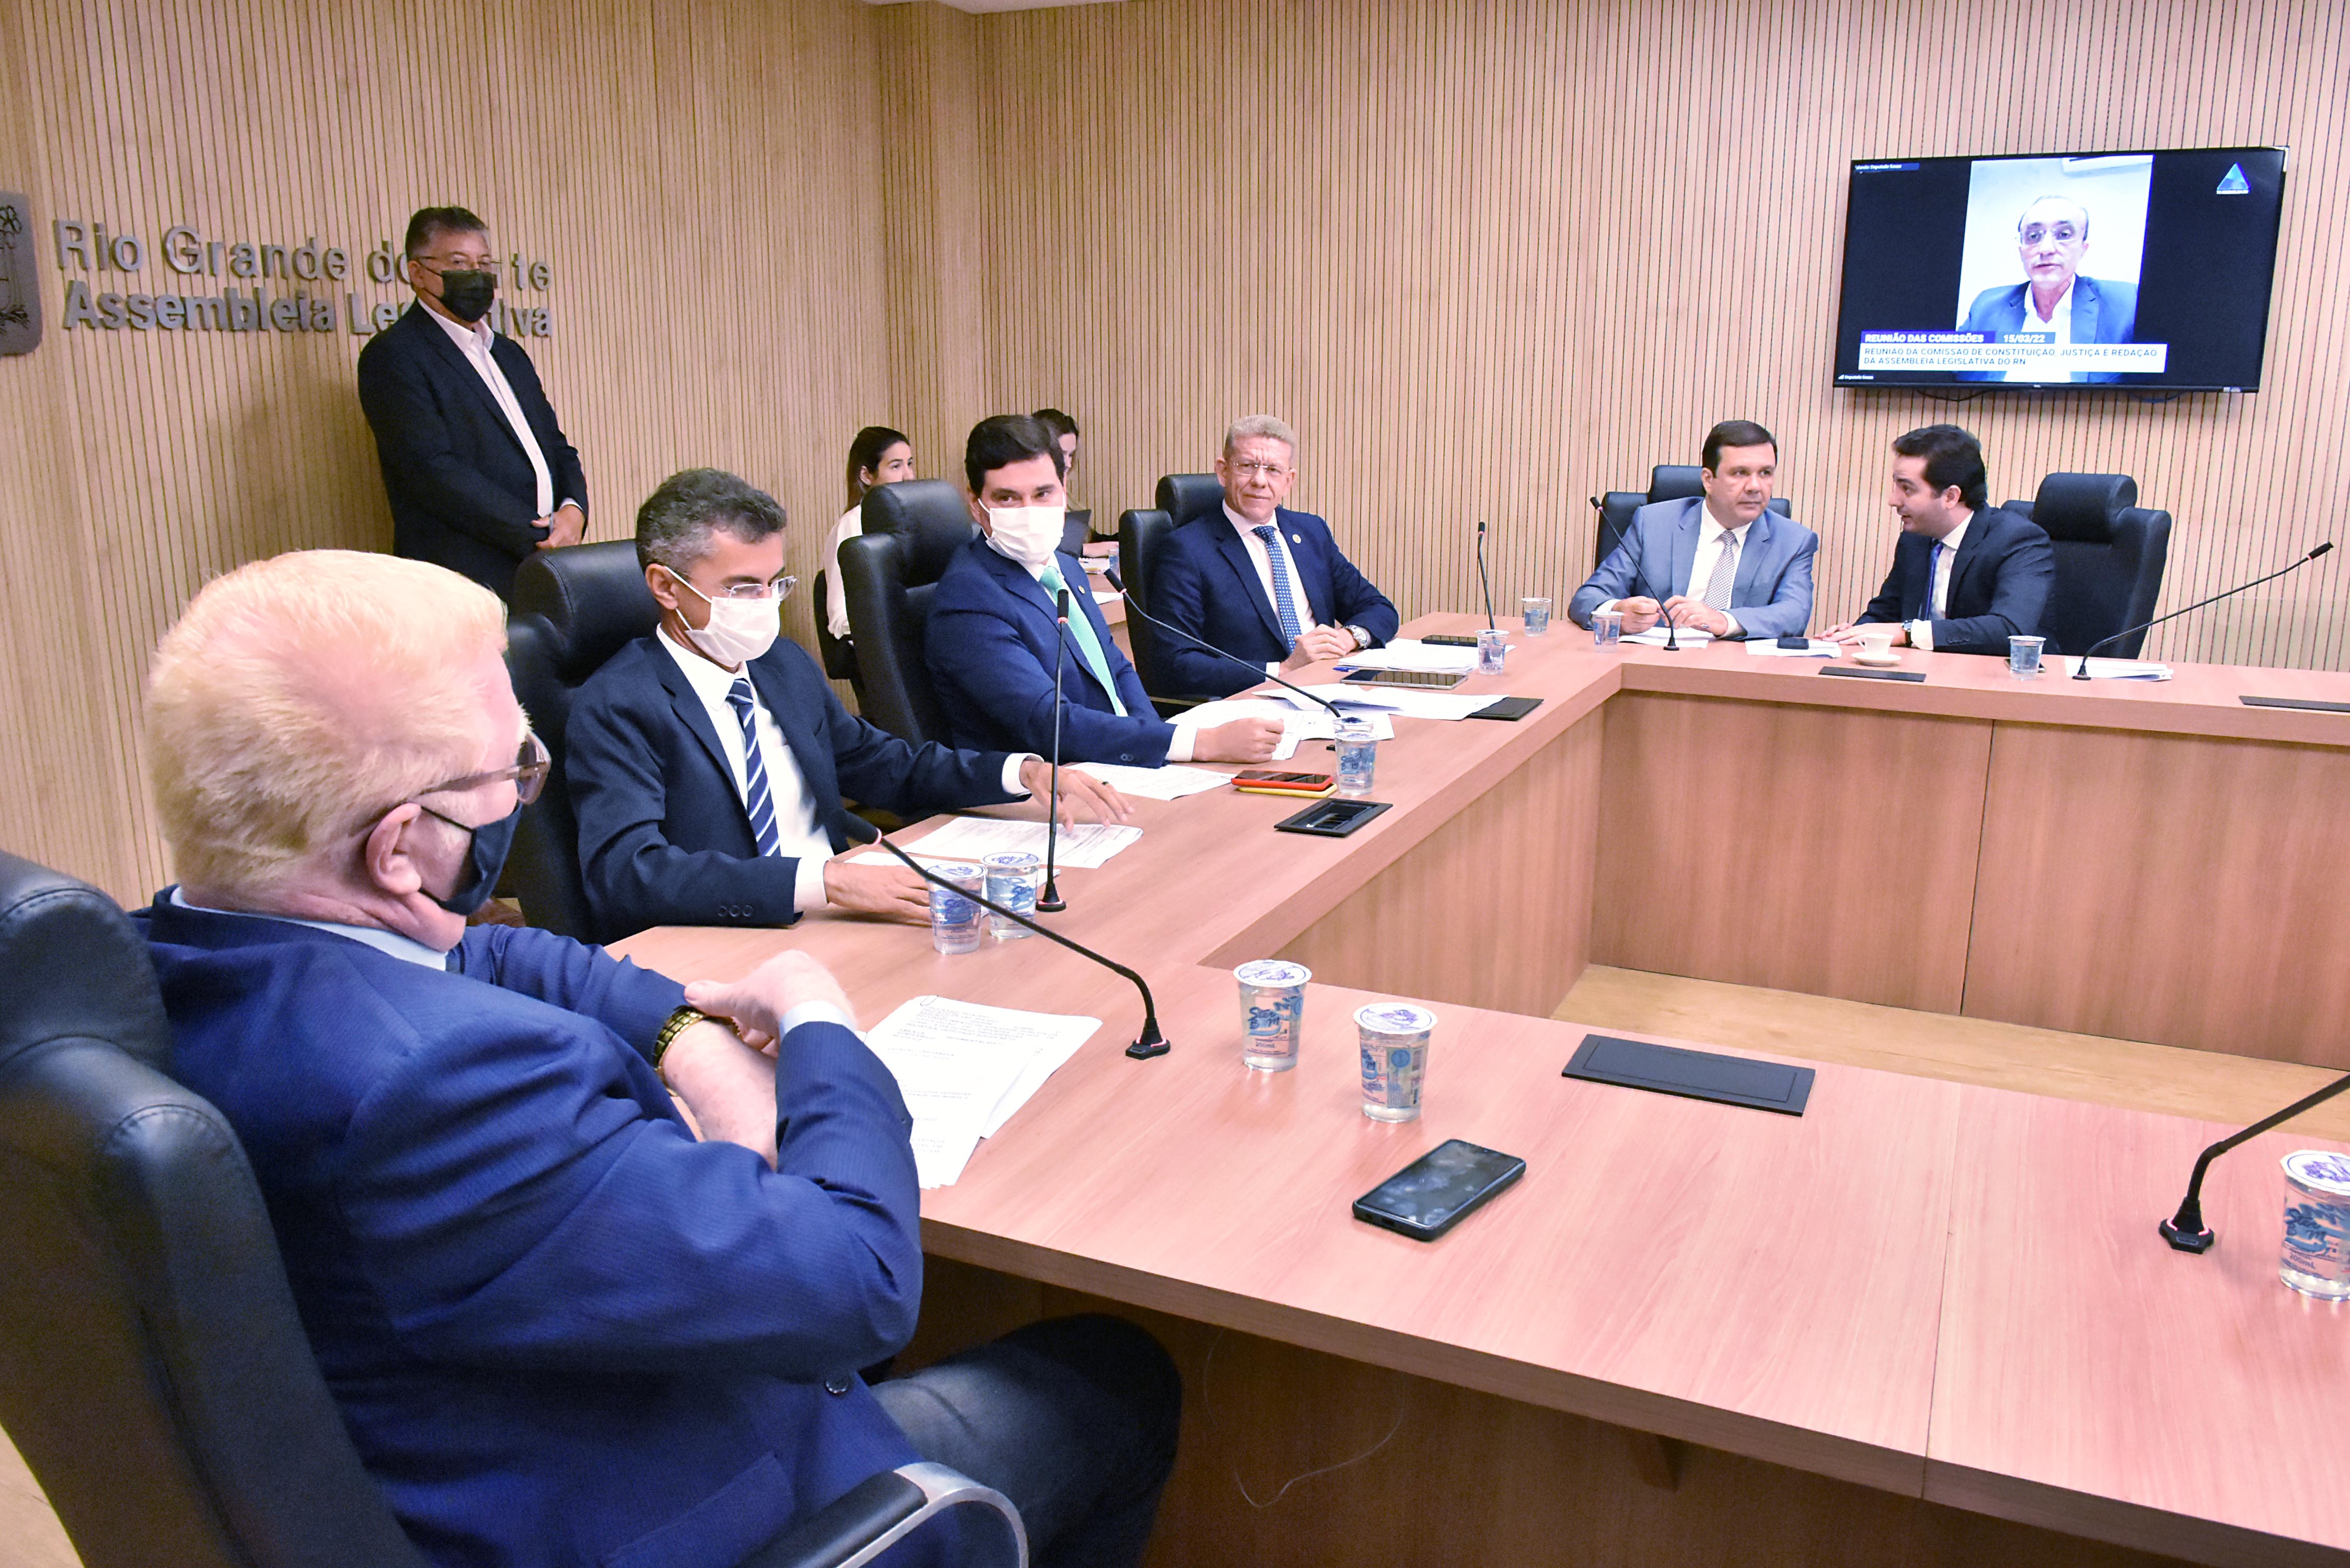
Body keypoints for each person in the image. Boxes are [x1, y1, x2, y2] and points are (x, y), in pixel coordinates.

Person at [133, 548, 1180, 1568]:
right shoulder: (439, 1093)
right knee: (1116, 1377)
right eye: (514, 770)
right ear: (401, 849)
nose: (524, 791)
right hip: (680, 1503)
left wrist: (689, 1041)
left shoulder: (174, 959)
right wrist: (817, 1023)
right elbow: (861, 1283)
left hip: (479, 1423)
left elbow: (489, 951)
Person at [567, 468, 1131, 941]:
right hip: (734, 936)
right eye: (742, 588)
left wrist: (1021, 771)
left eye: (774, 583)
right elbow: (628, 874)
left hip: (841, 919)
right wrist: (825, 882)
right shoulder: (618, 705)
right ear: (666, 587)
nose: (764, 605)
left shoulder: (781, 665)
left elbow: (885, 765)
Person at [926, 416, 1285, 767]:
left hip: (1119, 765)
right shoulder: (968, 599)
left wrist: (1160, 753)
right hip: (1052, 785)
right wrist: (1198, 743)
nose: (1030, 511)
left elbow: (1118, 670)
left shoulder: (1065, 567)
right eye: (1007, 499)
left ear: (1064, 487)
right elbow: (1048, 722)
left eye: (1043, 493)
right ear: (976, 504)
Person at [355, 206, 589, 601]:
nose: (475, 275)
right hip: (462, 577)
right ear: (417, 273)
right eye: (459, 263)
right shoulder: (394, 356)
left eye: (483, 264)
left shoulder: (509, 353)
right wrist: (538, 534)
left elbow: (555, 445)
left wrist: (573, 509)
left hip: (545, 567)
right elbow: (432, 471)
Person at [1147, 415, 1400, 698]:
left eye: (1273, 470)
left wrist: (1347, 638)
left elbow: (1379, 608)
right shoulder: (1187, 550)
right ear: (1223, 471)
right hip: (1253, 701)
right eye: (1247, 466)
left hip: (1328, 685)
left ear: (1288, 481)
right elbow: (1175, 663)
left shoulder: (1311, 532)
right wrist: (1283, 670)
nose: (1260, 481)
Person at [1567, 420, 1818, 640]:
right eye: (1740, 473)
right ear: (1708, 480)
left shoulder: (1794, 541)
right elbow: (1589, 597)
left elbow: (1794, 614)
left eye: (1765, 473)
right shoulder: (1653, 524)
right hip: (1655, 661)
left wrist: (1723, 620)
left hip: (1741, 668)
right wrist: (1617, 613)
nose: (1755, 486)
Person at [1824, 424, 2054, 655]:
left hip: (1991, 673)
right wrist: (1853, 635)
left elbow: (2010, 630)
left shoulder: (2018, 541)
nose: (1893, 500)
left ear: (1951, 497)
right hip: (1918, 670)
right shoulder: (1915, 539)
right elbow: (1886, 613)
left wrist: (1909, 633)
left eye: (1907, 489)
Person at [1956, 195, 2140, 385]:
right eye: (2033, 237)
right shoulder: (1987, 307)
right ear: (2021, 250)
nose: (2046, 249)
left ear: (2083, 248)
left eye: (2064, 235)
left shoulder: (2126, 304)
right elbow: (1953, 381)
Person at [825, 425, 916, 641]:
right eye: (896, 466)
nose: (909, 476)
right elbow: (841, 617)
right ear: (867, 475)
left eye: (910, 464)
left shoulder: (917, 516)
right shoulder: (852, 524)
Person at [1031, 407, 1112, 555]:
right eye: (1061, 455)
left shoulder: (1068, 498)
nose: (1068, 464)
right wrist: (1084, 550)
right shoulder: (1025, 498)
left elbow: (1093, 540)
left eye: (1071, 455)